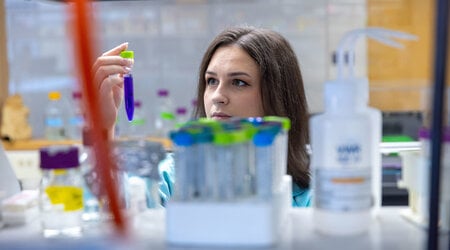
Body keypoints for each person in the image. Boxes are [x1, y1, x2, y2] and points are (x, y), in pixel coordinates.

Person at [93, 26, 311, 207]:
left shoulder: (313, 194)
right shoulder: (171, 177)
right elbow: (120, 210)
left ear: (278, 95)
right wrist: (103, 128)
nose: (217, 97)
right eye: (211, 81)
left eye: (239, 82)